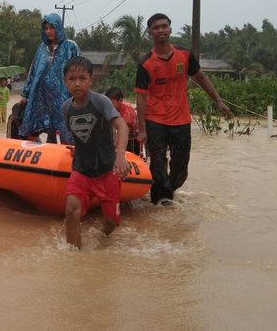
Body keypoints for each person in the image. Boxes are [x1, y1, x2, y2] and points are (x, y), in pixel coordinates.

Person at [135, 13, 232, 204]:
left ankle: (167, 192)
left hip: (181, 120)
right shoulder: (145, 63)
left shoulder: (185, 55)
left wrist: (218, 101)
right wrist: (142, 129)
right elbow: (140, 96)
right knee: (158, 165)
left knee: (180, 167)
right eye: (156, 27)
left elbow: (201, 78)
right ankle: (160, 207)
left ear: (170, 29)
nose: (161, 30)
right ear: (150, 33)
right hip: (155, 120)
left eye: (164, 26)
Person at [61, 56, 129, 249]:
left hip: (107, 170)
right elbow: (80, 135)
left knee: (110, 222)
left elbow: (122, 126)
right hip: (81, 170)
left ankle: (102, 240)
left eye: (82, 78)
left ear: (91, 80)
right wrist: (79, 147)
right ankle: (74, 259)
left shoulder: (101, 102)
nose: (77, 83)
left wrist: (121, 155)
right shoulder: (65, 108)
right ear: (65, 81)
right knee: (71, 211)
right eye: (72, 79)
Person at [19, 13, 80, 143]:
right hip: (42, 97)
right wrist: (25, 93)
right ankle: (47, 153)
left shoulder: (71, 47)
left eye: (51, 28)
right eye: (46, 28)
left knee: (65, 129)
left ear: (58, 27)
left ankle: (71, 154)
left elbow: (80, 72)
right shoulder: (42, 48)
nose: (48, 31)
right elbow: (33, 71)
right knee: (39, 126)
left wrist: (78, 94)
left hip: (63, 97)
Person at [105, 87, 141, 155]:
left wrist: (116, 144)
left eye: (112, 102)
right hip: (125, 136)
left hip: (132, 139)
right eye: (108, 102)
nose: (109, 105)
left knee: (131, 158)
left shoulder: (126, 110)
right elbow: (112, 125)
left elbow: (122, 129)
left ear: (120, 100)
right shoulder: (113, 109)